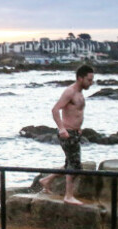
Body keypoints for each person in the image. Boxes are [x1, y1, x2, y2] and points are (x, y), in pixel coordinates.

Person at [39, 65, 95, 205]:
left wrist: (79, 128)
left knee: (69, 163)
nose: (91, 82)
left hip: (75, 133)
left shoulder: (80, 93)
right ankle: (68, 196)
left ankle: (46, 180)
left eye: (92, 80)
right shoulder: (69, 92)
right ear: (80, 78)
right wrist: (62, 129)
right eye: (89, 80)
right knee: (75, 166)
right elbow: (55, 109)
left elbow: (76, 113)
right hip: (67, 134)